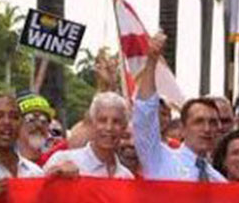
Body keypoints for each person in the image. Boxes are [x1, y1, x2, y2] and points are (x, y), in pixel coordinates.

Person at [131, 35, 226, 181]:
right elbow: (145, 113)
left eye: (213, 122)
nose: (207, 129)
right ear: (182, 128)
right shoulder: (158, 158)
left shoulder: (219, 181)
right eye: (198, 121)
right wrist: (151, 61)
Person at [45, 93, 134, 179]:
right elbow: (37, 189)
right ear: (92, 124)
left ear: (124, 127)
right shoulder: (63, 159)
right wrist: (55, 174)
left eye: (116, 121)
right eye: (102, 120)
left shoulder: (126, 176)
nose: (109, 127)